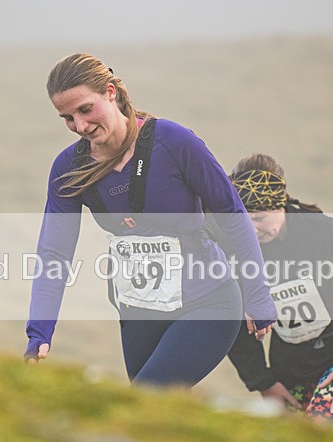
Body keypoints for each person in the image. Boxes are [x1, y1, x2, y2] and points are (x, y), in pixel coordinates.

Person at [25, 53, 277, 387]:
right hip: (138, 310)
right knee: (157, 416)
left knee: (146, 396)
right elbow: (54, 254)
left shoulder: (174, 142)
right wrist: (39, 331)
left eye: (85, 110)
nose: (80, 126)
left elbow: (231, 213)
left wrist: (256, 292)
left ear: (111, 92)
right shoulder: (68, 168)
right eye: (67, 118)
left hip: (208, 301)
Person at [225, 153, 333, 420]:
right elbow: (231, 317)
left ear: (279, 205)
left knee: (320, 429)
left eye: (258, 219)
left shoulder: (325, 234)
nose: (251, 231)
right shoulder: (236, 250)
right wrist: (263, 381)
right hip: (292, 375)